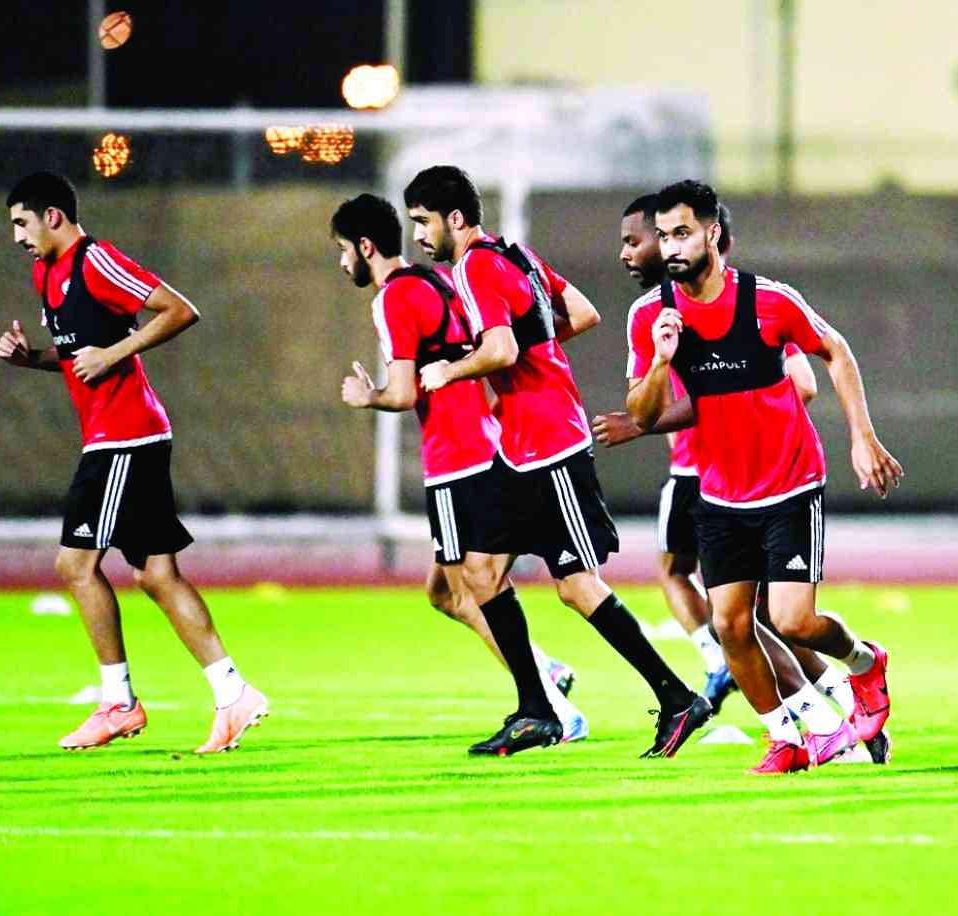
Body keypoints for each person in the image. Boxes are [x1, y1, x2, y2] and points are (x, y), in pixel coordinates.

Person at [406, 166, 711, 758]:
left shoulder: (472, 267)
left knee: (576, 587)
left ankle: (676, 698)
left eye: (423, 221)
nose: (419, 234)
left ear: (455, 219)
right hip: (521, 445)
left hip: (550, 444)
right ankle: (536, 711)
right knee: (480, 572)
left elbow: (501, 349)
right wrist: (530, 353)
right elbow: (581, 311)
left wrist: (452, 369)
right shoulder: (514, 254)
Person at [595, 196, 890, 764]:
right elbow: (644, 411)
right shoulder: (649, 316)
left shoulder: (768, 300)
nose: (670, 246)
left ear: (712, 234)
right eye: (663, 235)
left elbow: (835, 352)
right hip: (718, 490)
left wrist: (863, 437)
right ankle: (788, 739)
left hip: (790, 481)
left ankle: (864, 663)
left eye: (683, 233)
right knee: (730, 626)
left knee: (791, 620)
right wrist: (660, 361)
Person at [0, 171, 267, 754]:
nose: (16, 236)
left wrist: (116, 351)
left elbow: (179, 310)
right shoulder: (45, 273)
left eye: (22, 223)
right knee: (156, 575)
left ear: (53, 217)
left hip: (125, 435)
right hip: (118, 435)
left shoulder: (94, 261)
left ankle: (118, 702)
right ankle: (234, 693)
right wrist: (33, 358)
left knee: (75, 564)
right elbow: (79, 357)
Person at [329, 193, 586, 743]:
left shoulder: (393, 298)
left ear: (365, 246)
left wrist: (368, 396)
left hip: (456, 458)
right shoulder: (442, 281)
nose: (342, 262)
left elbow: (404, 393)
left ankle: (550, 700)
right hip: (492, 445)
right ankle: (547, 672)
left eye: (343, 250)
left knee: (473, 589)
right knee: (445, 592)